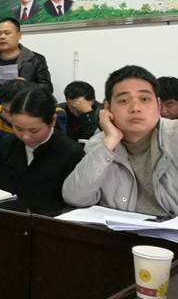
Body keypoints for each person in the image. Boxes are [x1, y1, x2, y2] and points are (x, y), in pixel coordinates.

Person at [63, 65, 178, 216]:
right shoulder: (100, 144)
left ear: (158, 105)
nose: (135, 108)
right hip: (120, 230)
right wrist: (110, 141)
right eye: (123, 101)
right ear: (107, 108)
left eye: (144, 99)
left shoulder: (174, 136)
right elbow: (76, 198)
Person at [0, 87, 84, 203]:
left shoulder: (71, 152)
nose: (25, 136)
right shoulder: (7, 144)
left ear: (53, 121)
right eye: (18, 128)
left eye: (34, 130)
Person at [0, 17, 53, 107]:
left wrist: (27, 86)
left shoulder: (35, 59)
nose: (2, 37)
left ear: (19, 35)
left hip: (25, 111)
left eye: (7, 33)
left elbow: (48, 89)